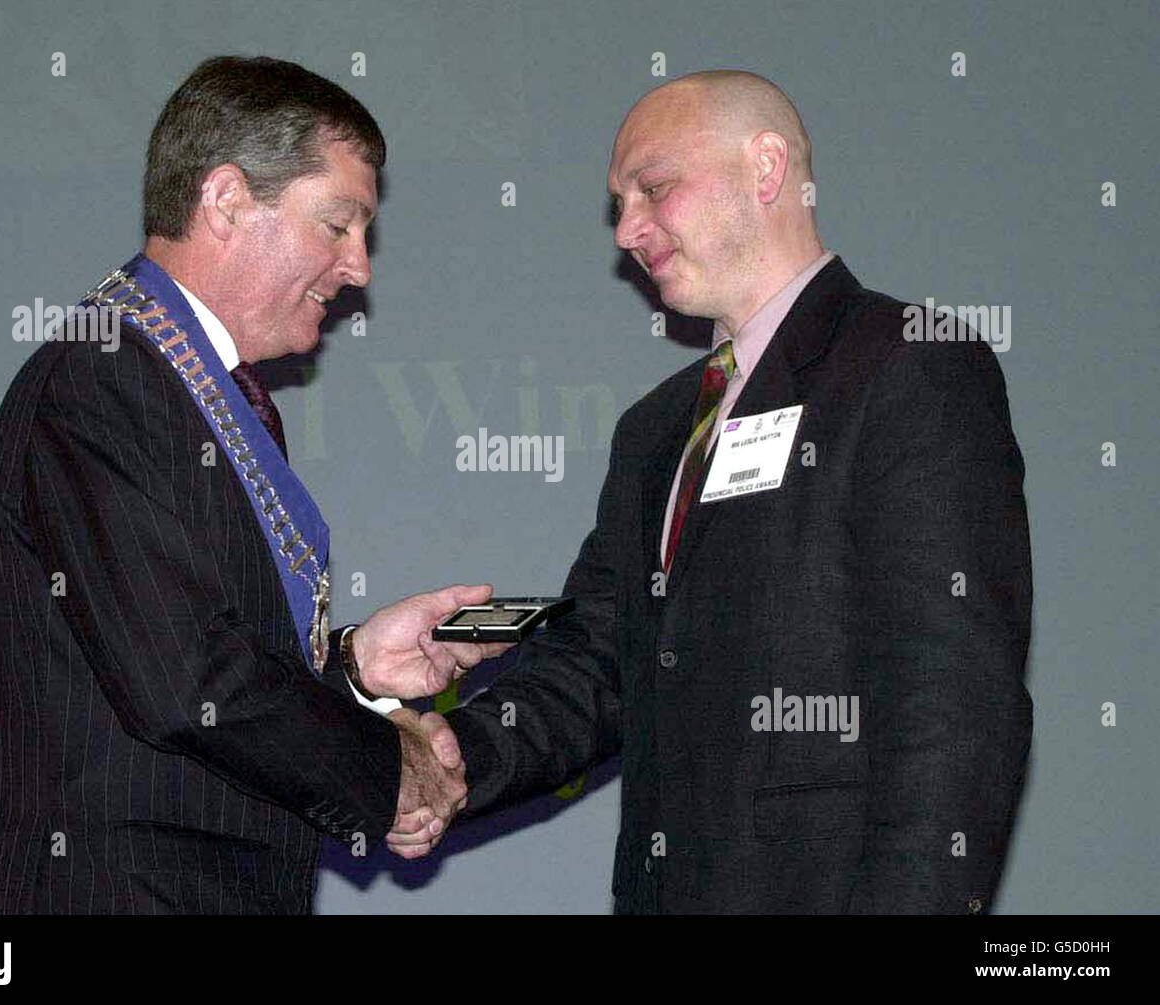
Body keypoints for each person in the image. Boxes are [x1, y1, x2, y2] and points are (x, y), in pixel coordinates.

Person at [387, 70, 1034, 914]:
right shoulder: (655, 430)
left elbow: (952, 708)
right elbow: (596, 665)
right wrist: (441, 762)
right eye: (618, 204)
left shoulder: (910, 365)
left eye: (652, 188)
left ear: (767, 170)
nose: (626, 229)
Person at [0, 55, 497, 914]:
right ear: (224, 200)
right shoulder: (102, 381)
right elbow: (188, 682)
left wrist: (355, 668)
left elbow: (194, 667)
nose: (359, 266)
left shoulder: (195, 391)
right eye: (338, 224)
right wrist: (389, 767)